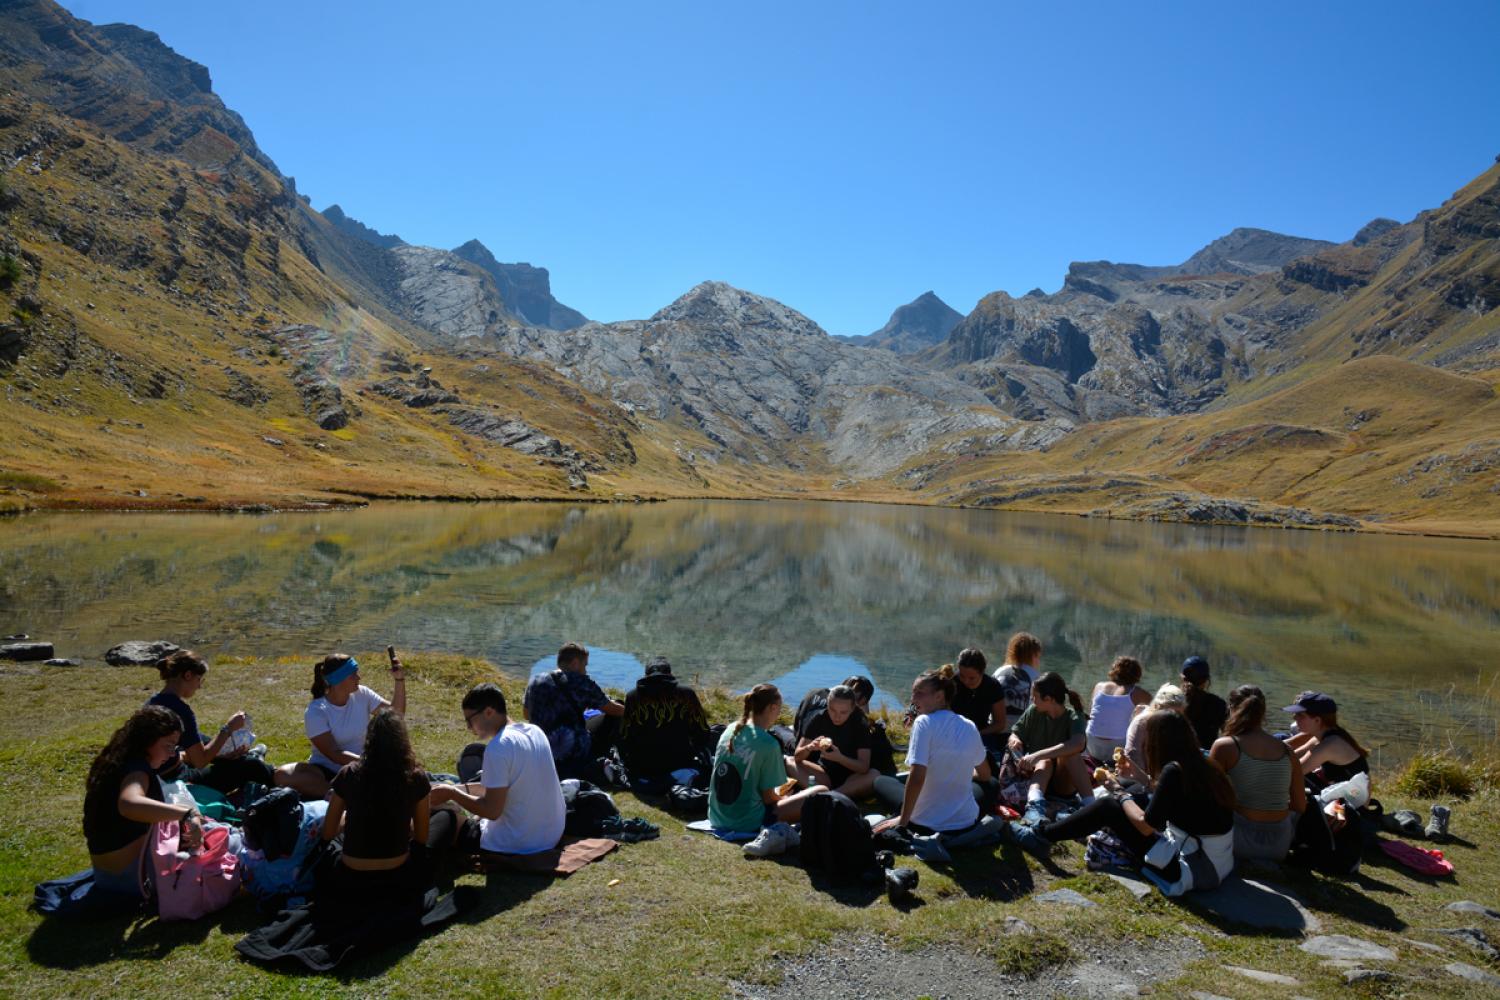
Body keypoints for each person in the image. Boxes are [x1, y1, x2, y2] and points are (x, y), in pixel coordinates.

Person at [1011, 710, 1236, 891]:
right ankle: (1065, 825)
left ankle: (1041, 837)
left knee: (1111, 805)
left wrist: (1117, 791)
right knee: (1132, 788)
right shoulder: (1204, 764)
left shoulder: (1173, 770)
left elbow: (1146, 826)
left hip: (1190, 868)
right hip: (1216, 862)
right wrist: (1137, 775)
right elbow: (1170, 797)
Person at [429, 683, 566, 856]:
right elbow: (502, 787)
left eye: (469, 720)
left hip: (518, 843)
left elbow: (491, 811)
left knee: (445, 818)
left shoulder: (498, 746)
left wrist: (452, 794)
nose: (468, 728)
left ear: (488, 712)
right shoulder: (535, 731)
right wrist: (458, 789)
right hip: (550, 835)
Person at [83, 706, 205, 898]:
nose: (173, 754)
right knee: (224, 844)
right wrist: (186, 814)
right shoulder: (137, 771)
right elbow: (129, 804)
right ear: (148, 740)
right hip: (131, 880)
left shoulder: (119, 761)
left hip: (105, 875)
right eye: (168, 745)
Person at [320, 708, 434, 900]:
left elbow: (328, 833)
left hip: (351, 873)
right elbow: (421, 838)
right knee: (444, 818)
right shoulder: (415, 777)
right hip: (396, 871)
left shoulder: (349, 774)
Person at [873, 666, 991, 836]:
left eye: (919, 693)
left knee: (881, 782)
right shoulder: (969, 725)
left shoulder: (924, 722)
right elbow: (985, 775)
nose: (913, 698)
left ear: (939, 696)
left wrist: (902, 821)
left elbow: (917, 777)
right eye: (913, 692)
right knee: (991, 785)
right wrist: (960, 771)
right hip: (964, 823)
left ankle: (907, 814)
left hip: (924, 823)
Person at [709, 684, 825, 851]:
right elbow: (769, 799)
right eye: (779, 708)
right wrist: (785, 800)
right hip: (747, 821)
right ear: (772, 707)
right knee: (820, 791)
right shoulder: (768, 744)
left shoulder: (731, 729)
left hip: (716, 816)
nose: (779, 713)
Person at [148, 649, 276, 797]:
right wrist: (228, 728)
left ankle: (240, 758)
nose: (199, 686)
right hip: (176, 781)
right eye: (199, 680)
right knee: (250, 767)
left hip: (159, 771)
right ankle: (272, 775)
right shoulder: (181, 711)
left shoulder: (154, 702)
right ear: (188, 675)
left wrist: (220, 754)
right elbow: (200, 762)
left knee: (204, 740)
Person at [278, 653, 406, 799]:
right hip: (326, 771)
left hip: (359, 768)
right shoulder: (316, 711)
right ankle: (335, 794)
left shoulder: (362, 693)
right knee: (282, 775)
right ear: (339, 680)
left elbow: (396, 715)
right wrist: (369, 763)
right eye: (353, 675)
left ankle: (339, 796)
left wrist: (399, 680)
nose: (359, 678)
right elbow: (334, 754)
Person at [1209, 686, 1305, 861]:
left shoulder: (1225, 746)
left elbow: (1209, 797)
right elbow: (1300, 806)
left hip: (1238, 841)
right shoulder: (1287, 750)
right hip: (1279, 845)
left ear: (1231, 709)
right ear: (1263, 712)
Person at [522, 642, 624, 782]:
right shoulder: (581, 683)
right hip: (575, 754)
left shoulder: (535, 681)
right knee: (615, 715)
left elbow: (526, 714)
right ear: (575, 663)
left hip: (542, 753)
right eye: (585, 665)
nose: (585, 671)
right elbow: (613, 709)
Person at [1009, 672, 1092, 826]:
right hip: (1038, 776)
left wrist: (1037, 755)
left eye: (1035, 697)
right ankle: (1034, 808)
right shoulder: (1034, 711)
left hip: (1063, 785)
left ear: (1049, 699)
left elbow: (1078, 744)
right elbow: (1015, 733)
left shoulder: (1074, 716)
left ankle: (1091, 807)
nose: (1032, 700)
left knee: (1071, 755)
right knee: (1044, 762)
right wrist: (1015, 740)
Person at [616, 655, 710, 788]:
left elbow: (624, 735)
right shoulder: (687, 694)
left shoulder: (633, 696)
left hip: (643, 765)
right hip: (680, 762)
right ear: (670, 674)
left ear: (646, 675)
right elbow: (702, 732)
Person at [792, 684, 877, 799]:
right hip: (823, 774)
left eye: (843, 712)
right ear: (827, 704)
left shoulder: (860, 724)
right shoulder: (818, 718)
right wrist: (809, 747)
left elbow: (863, 767)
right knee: (789, 761)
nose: (837, 717)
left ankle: (829, 796)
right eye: (832, 710)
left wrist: (839, 758)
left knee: (874, 775)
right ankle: (830, 795)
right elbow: (797, 756)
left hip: (851, 777)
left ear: (852, 709)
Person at [1281, 691, 1369, 792]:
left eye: (1300, 715)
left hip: (1349, 805)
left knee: (1290, 776)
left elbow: (1293, 771)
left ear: (1317, 720)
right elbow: (1290, 757)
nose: (1294, 717)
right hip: (1341, 796)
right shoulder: (1323, 736)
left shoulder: (1331, 744)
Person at [1084, 656, 1152, 761]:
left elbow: (1090, 713)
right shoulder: (1138, 693)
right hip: (1118, 747)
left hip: (1091, 743)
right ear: (1137, 675)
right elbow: (1156, 708)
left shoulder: (1099, 686)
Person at [951, 648, 1008, 753]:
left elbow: (1000, 724)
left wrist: (977, 732)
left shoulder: (992, 686)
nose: (966, 681)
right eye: (962, 676)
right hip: (951, 733)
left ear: (982, 672)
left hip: (981, 733)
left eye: (972, 678)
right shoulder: (951, 683)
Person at [1123, 683, 1186, 774]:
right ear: (1156, 707)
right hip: (1141, 776)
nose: (1173, 719)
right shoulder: (1141, 723)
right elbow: (1133, 760)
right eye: (1168, 713)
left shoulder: (1178, 722)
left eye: (1178, 714)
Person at [993, 632, 1043, 735]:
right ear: (1032, 656)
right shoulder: (1036, 677)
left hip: (996, 728)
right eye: (1038, 657)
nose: (1039, 661)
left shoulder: (999, 671)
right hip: (1021, 733)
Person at [1180, 656, 1227, 751]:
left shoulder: (1174, 700)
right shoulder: (1218, 703)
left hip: (1178, 758)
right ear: (1206, 680)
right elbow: (1227, 733)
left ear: (1182, 677)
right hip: (1207, 759)